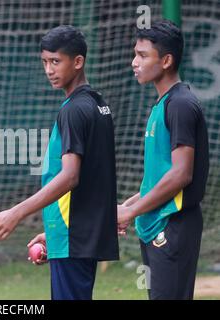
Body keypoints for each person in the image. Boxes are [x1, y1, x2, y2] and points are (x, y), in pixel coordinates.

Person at [0, 25, 119, 300]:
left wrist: (15, 213)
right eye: (45, 62)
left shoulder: (74, 110)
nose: (49, 70)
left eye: (56, 61)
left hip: (73, 237)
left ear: (78, 62)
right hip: (76, 233)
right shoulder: (98, 105)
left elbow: (70, 176)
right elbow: (93, 179)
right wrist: (52, 233)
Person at [118, 20, 209, 300]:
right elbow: (160, 177)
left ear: (167, 60)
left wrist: (131, 212)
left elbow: (181, 175)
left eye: (143, 55)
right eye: (135, 54)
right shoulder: (164, 103)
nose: (135, 62)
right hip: (157, 223)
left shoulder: (181, 104)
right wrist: (127, 206)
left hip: (174, 225)